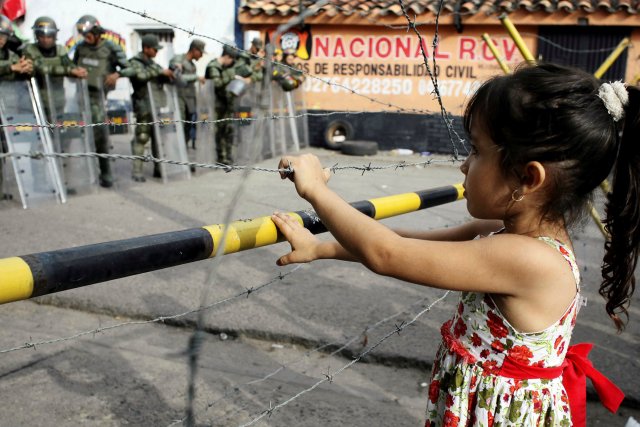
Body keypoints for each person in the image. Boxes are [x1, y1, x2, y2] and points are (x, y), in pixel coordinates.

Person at [271, 63, 637, 426]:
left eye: (476, 151)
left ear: (527, 178)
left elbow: (387, 254)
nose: (464, 165)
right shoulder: (508, 233)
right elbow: (407, 246)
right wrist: (320, 248)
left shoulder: (528, 258)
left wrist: (316, 190)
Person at [73, 14, 136, 188]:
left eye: (88, 33)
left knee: (100, 135)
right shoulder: (80, 48)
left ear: (96, 31)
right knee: (79, 135)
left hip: (98, 98)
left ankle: (105, 171)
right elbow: (72, 66)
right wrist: (74, 71)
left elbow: (130, 69)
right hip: (80, 97)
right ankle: (83, 173)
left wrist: (117, 74)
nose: (86, 37)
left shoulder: (110, 47)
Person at [128, 34, 174, 182]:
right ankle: (137, 171)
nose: (156, 52)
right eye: (154, 49)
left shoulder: (154, 64)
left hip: (157, 106)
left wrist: (170, 73)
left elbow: (162, 77)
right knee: (141, 138)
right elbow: (141, 76)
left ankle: (159, 169)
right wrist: (160, 72)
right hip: (144, 107)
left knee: (159, 138)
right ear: (146, 48)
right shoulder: (135, 63)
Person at [0, 14, 32, 199]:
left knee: (4, 151)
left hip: (7, 111)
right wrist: (11, 68)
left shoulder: (11, 55)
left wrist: (26, 69)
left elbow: (17, 75)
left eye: (4, 35)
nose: (1, 39)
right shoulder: (9, 61)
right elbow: (10, 69)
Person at [205, 43, 246, 165]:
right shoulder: (214, 66)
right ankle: (220, 157)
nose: (232, 62)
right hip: (216, 105)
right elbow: (216, 84)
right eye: (232, 59)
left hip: (226, 103)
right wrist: (231, 77)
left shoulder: (224, 67)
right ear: (227, 56)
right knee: (219, 130)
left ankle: (228, 156)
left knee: (228, 130)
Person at [169, 39, 205, 150]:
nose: (202, 55)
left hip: (190, 102)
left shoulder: (192, 65)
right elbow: (176, 77)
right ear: (194, 50)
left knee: (188, 129)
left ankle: (183, 154)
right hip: (179, 100)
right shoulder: (179, 60)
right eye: (201, 52)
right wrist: (196, 77)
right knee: (179, 127)